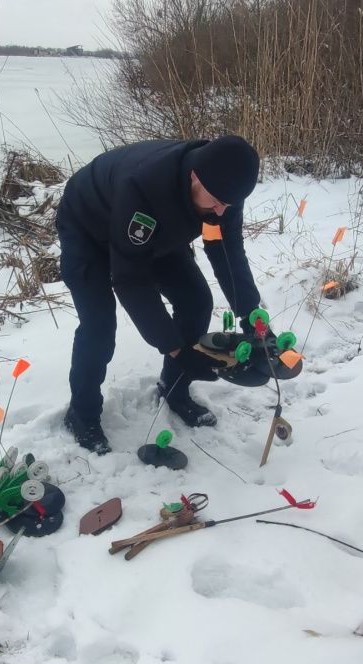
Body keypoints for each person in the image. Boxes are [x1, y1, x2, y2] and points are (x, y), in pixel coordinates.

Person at [56, 135, 267, 454]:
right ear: (195, 176)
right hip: (88, 227)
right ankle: (82, 414)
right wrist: (177, 349)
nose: (221, 211)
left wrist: (251, 315)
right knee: (98, 325)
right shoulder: (143, 187)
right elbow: (130, 280)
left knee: (196, 300)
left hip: (152, 232)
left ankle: (174, 388)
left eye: (229, 204)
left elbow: (226, 251)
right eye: (217, 202)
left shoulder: (223, 190)